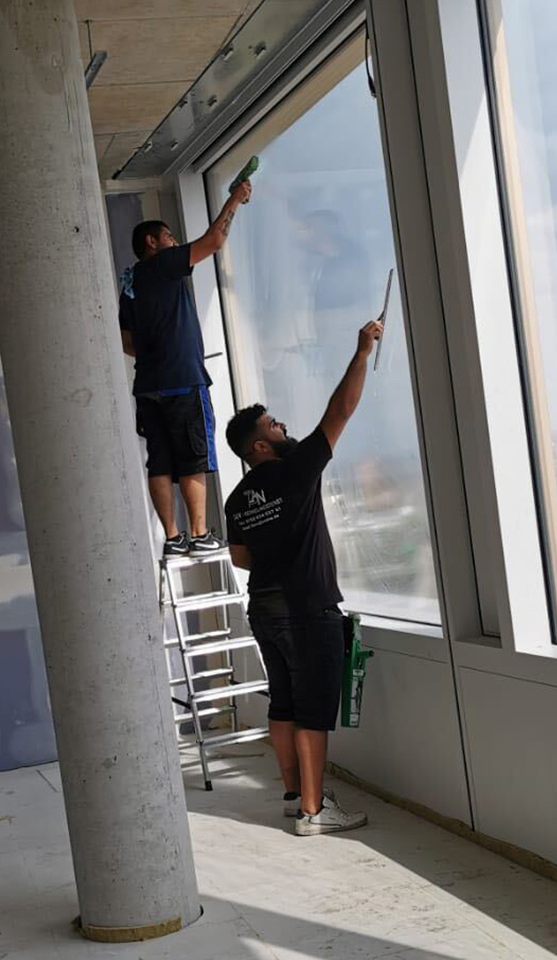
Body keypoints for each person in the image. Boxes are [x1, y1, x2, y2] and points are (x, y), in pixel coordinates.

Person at [224, 317, 384, 836]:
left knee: (284, 702)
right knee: (313, 710)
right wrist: (362, 353)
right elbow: (340, 411)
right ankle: (314, 813)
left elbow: (241, 558)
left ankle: (294, 794)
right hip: (307, 610)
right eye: (273, 425)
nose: (283, 426)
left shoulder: (236, 499)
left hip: (265, 610)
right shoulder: (295, 471)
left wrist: (276, 556)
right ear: (258, 447)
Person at [119, 179, 252, 558]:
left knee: (160, 462)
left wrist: (154, 357)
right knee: (193, 456)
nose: (174, 242)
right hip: (182, 380)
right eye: (168, 236)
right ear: (151, 243)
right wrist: (234, 199)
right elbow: (213, 242)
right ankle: (199, 534)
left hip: (149, 385)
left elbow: (126, 340)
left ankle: (174, 538)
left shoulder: (130, 282)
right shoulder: (162, 264)